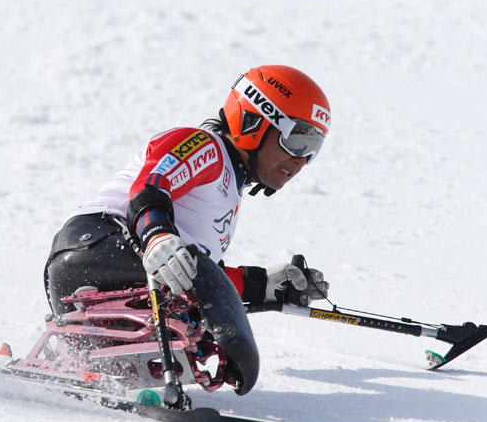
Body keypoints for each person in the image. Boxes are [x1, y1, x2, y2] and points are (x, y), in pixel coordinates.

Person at [43, 65, 331, 396]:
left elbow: (202, 276)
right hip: (96, 243)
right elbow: (150, 187)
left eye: (314, 148)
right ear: (255, 122)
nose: (302, 160)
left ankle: (98, 367)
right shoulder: (205, 146)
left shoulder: (228, 192)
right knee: (233, 339)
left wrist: (264, 285)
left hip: (104, 278)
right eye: (297, 140)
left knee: (199, 314)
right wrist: (158, 236)